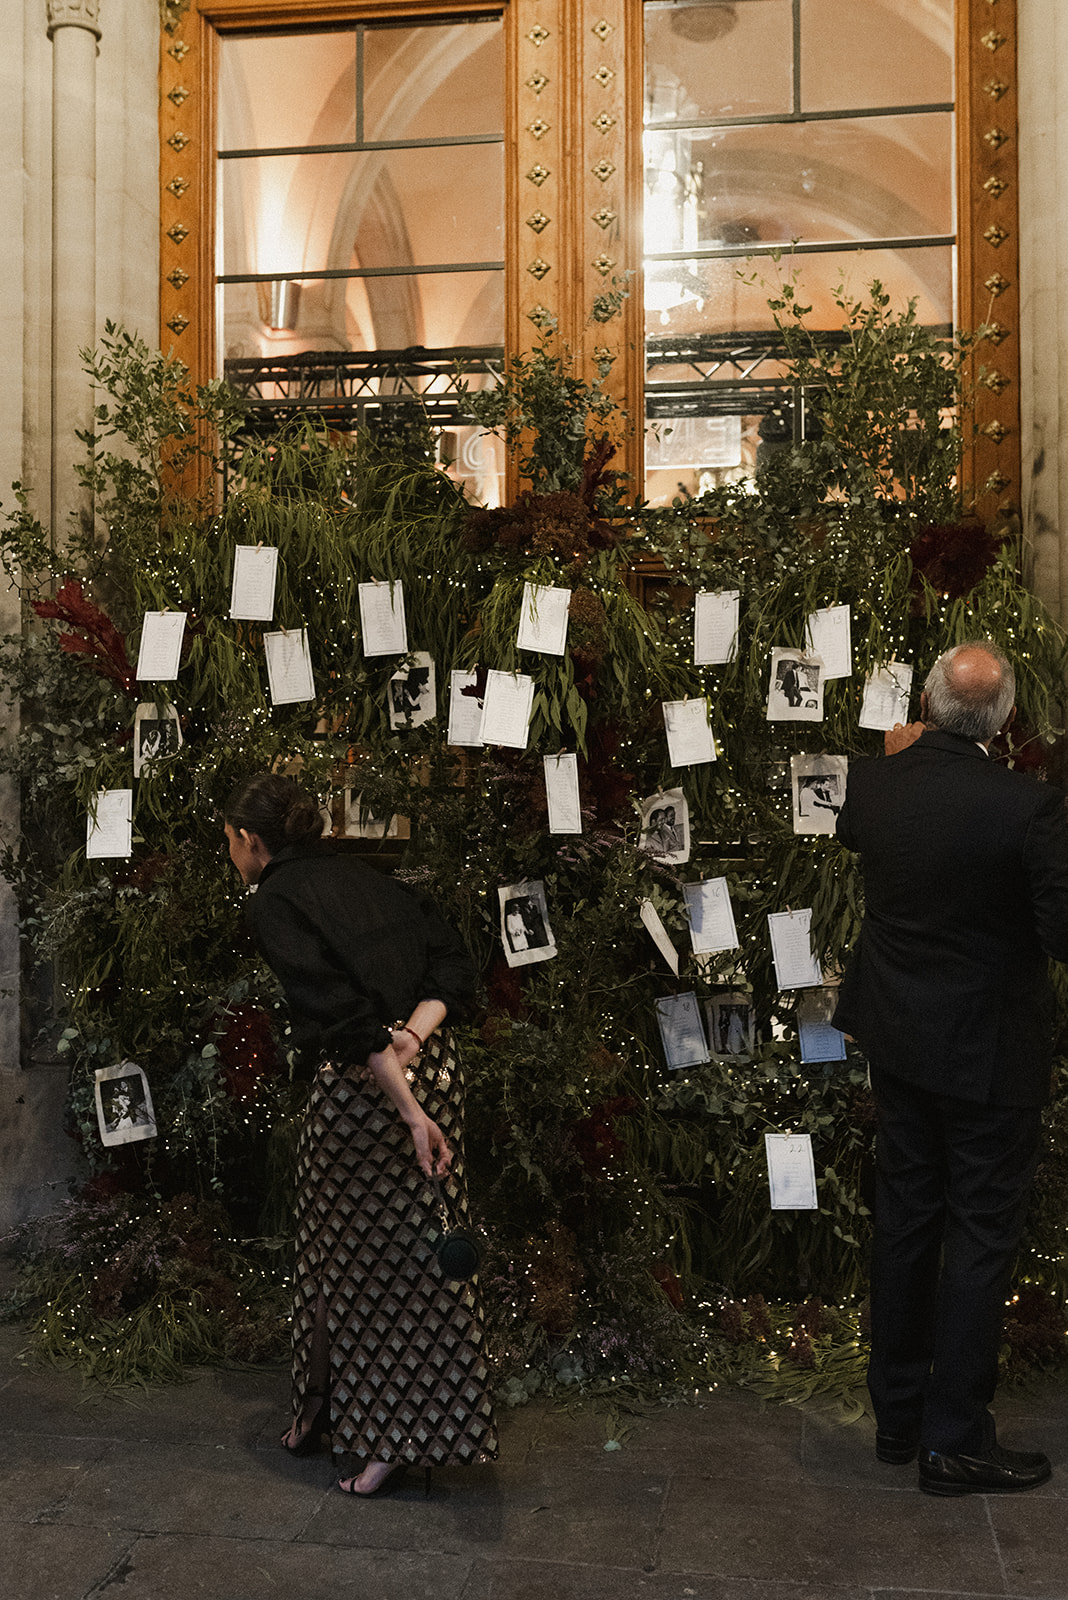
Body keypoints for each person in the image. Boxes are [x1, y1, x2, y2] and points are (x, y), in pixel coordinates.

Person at [833, 640, 1068, 1496]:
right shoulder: (1028, 808)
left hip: (899, 1041)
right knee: (978, 1237)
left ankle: (898, 1419)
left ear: (926, 702)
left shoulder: (871, 784)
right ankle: (954, 1439)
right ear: (1004, 719)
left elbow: (863, 829)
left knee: (904, 1218)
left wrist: (898, 752)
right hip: (990, 1054)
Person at [223, 772, 497, 1498]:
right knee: (398, 1259)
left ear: (252, 841)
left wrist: (407, 1110)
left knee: (369, 1272)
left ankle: (385, 1441)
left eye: (229, 841)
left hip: (366, 1097)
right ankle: (323, 1412)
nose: (231, 854)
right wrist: (414, 1036)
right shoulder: (367, 878)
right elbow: (452, 964)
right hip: (429, 1072)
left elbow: (337, 1014)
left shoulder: (276, 900)